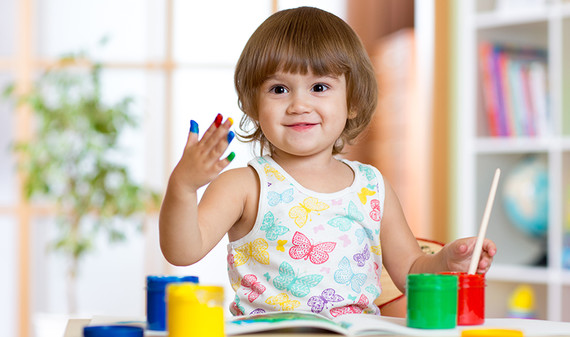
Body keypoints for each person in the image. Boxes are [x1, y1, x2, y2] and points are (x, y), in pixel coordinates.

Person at [159, 6, 496, 318]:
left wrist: (446, 262)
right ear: (252, 103)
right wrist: (184, 187)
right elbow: (182, 251)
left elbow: (409, 272)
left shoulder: (372, 187)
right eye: (279, 89)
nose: (299, 104)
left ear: (352, 102)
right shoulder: (244, 186)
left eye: (319, 87)